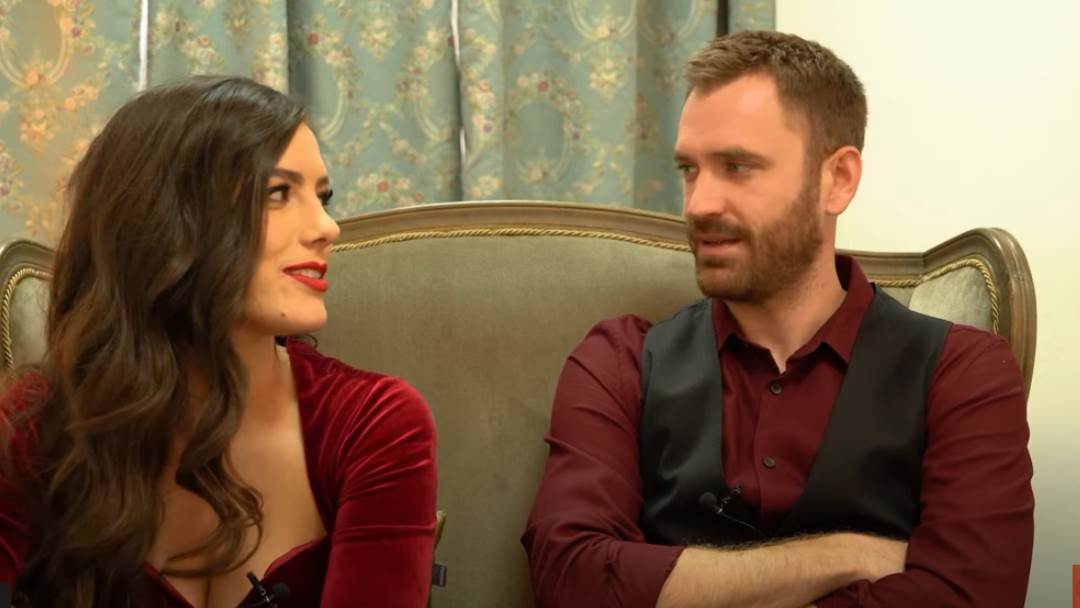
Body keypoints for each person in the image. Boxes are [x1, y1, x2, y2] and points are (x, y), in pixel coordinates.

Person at [522, 31, 1033, 608]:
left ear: (837, 180)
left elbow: (973, 596)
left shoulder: (962, 373)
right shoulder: (618, 361)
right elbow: (569, 578)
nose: (698, 204)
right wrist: (845, 555)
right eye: (689, 169)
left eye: (738, 166)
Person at [0, 76, 437, 607]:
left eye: (323, 197)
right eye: (279, 193)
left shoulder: (375, 424)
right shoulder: (34, 424)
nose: (327, 227)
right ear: (166, 223)